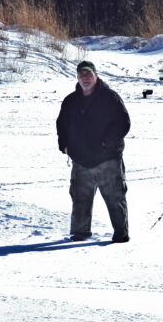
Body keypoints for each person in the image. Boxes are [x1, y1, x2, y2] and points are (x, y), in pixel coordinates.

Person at [56, 60, 131, 243]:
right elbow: (61, 124)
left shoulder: (110, 97)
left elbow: (124, 123)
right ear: (77, 77)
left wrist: (107, 143)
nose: (85, 78)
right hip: (81, 160)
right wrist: (64, 144)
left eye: (89, 74)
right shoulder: (70, 101)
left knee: (115, 199)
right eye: (81, 75)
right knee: (80, 200)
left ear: (96, 75)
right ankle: (80, 233)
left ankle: (121, 235)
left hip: (108, 159)